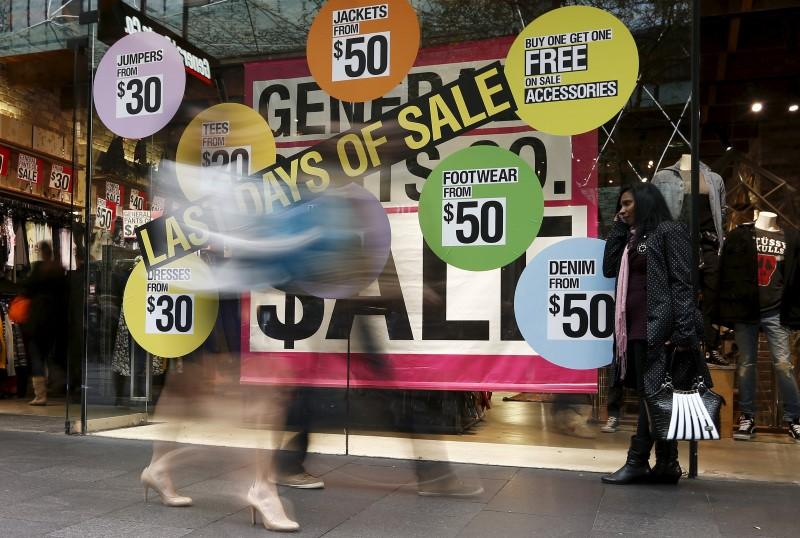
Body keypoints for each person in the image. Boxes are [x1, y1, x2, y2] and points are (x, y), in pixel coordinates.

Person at [600, 183, 710, 485]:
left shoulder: (669, 231)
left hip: (660, 328)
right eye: (620, 205)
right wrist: (618, 228)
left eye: (627, 204)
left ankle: (637, 461)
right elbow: (609, 268)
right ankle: (667, 462)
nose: (621, 210)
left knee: (652, 395)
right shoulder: (633, 237)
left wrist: (683, 331)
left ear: (645, 203)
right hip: (635, 328)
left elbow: (683, 283)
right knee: (654, 395)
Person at [22, 241, 66, 406]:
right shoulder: (59, 270)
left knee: (36, 355)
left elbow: (27, 289)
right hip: (54, 319)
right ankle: (58, 382)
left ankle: (40, 395)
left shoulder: (39, 269)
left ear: (42, 252)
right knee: (50, 354)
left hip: (38, 319)